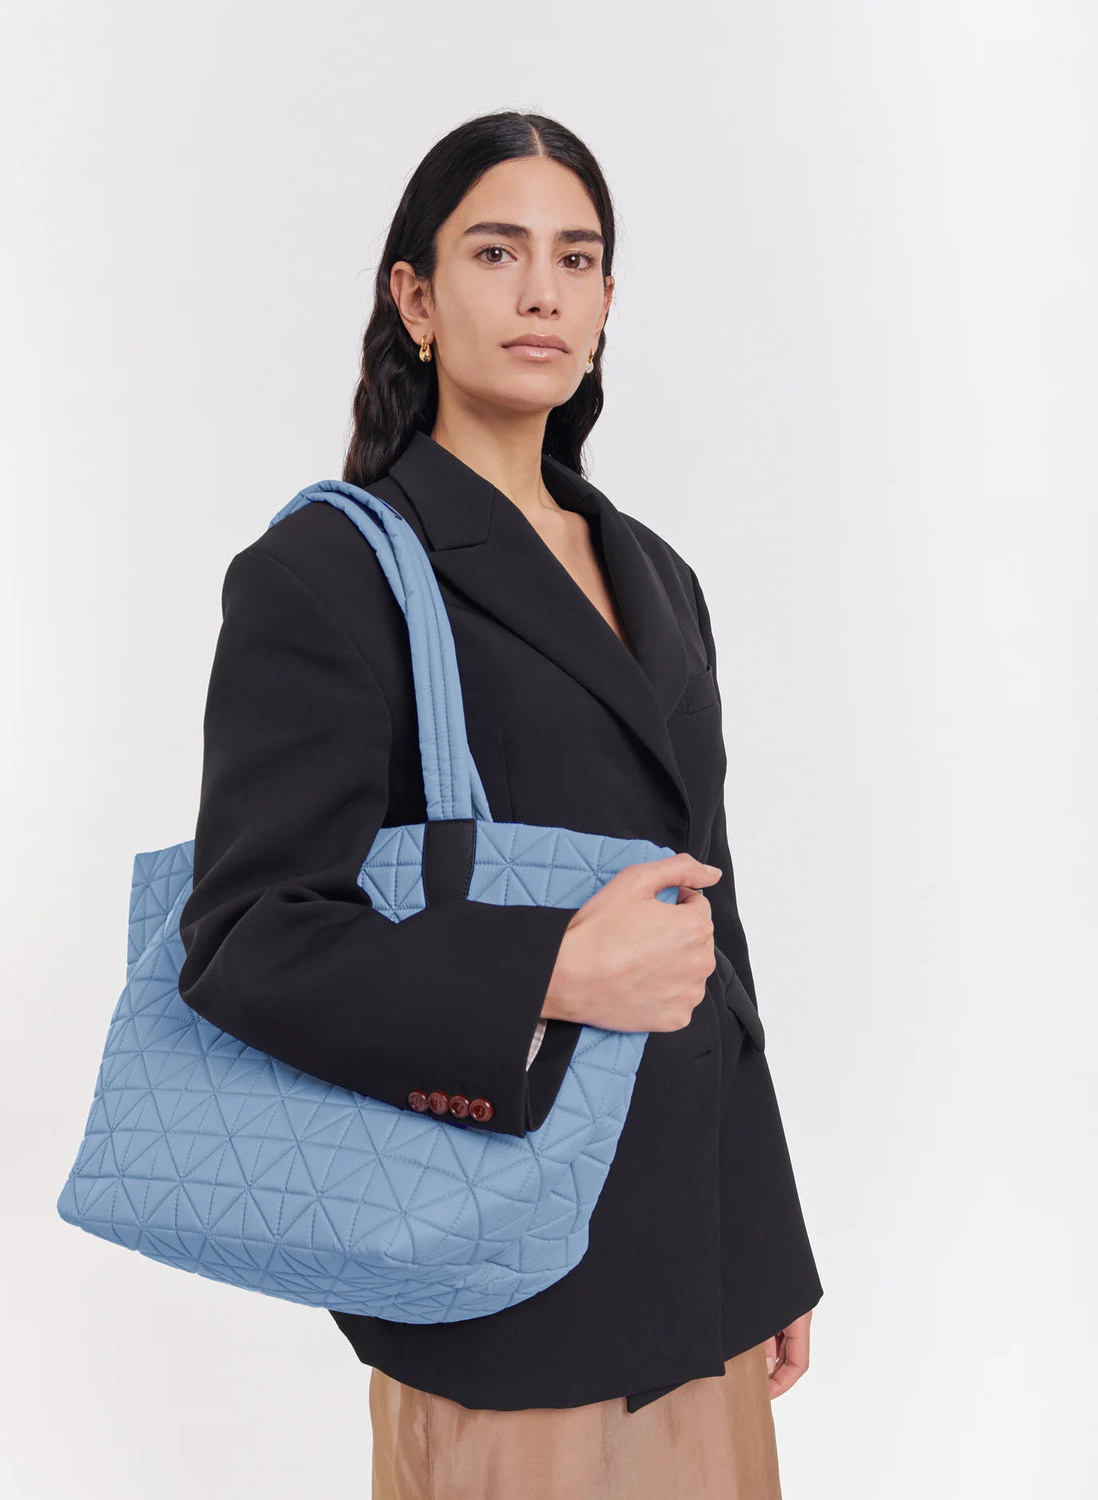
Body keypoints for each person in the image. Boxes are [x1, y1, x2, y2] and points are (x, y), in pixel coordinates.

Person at [177, 109, 823, 1499]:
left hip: (699, 1273)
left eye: (577, 259)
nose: (542, 292)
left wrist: (768, 1241)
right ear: (415, 299)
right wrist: (552, 970)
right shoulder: (329, 573)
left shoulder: (655, 573)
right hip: (505, 1298)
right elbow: (247, 940)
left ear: (606, 301)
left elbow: (713, 922)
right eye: (495, 251)